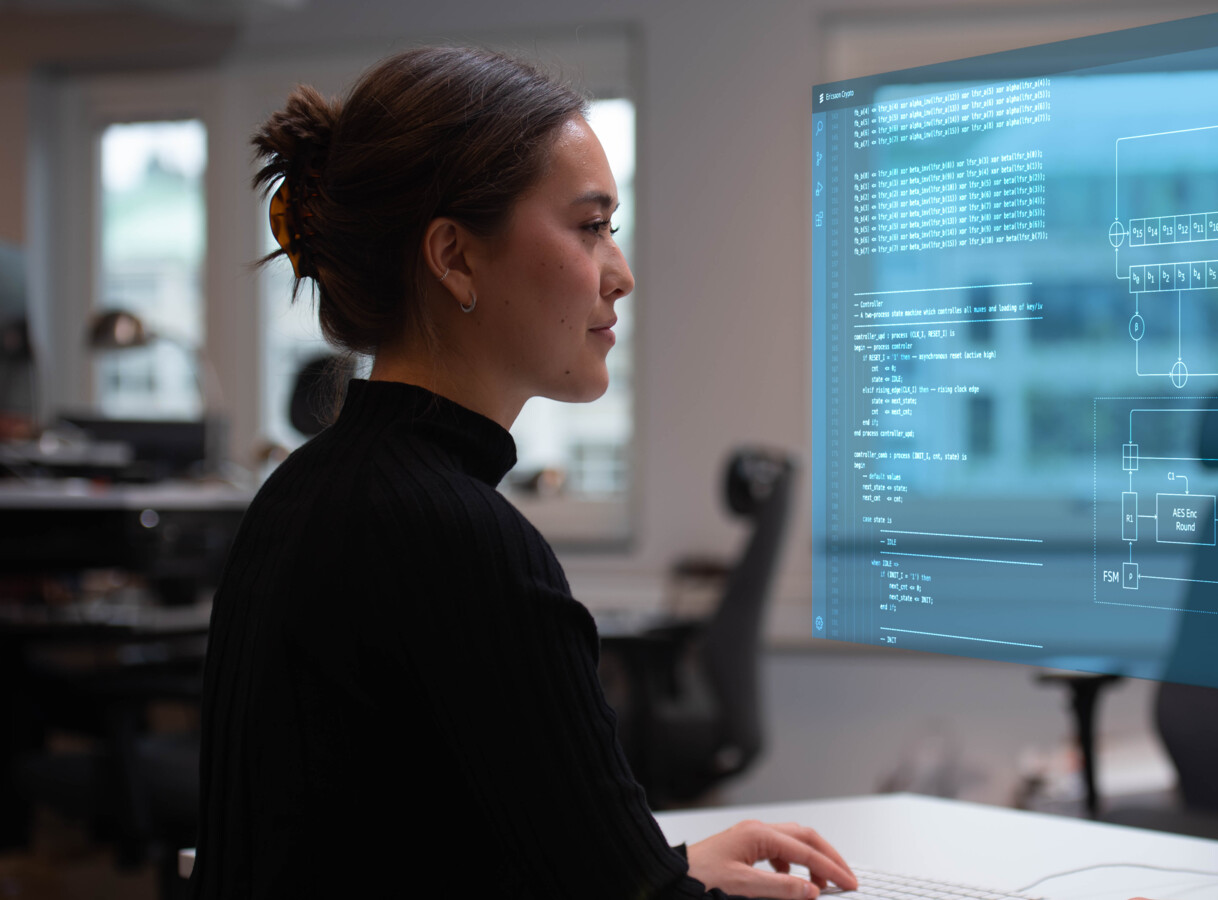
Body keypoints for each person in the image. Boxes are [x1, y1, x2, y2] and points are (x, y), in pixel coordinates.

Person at [192, 46, 856, 899]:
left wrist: (670, 868)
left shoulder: (303, 492)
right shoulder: (460, 541)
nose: (620, 273)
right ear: (455, 258)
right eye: (589, 226)